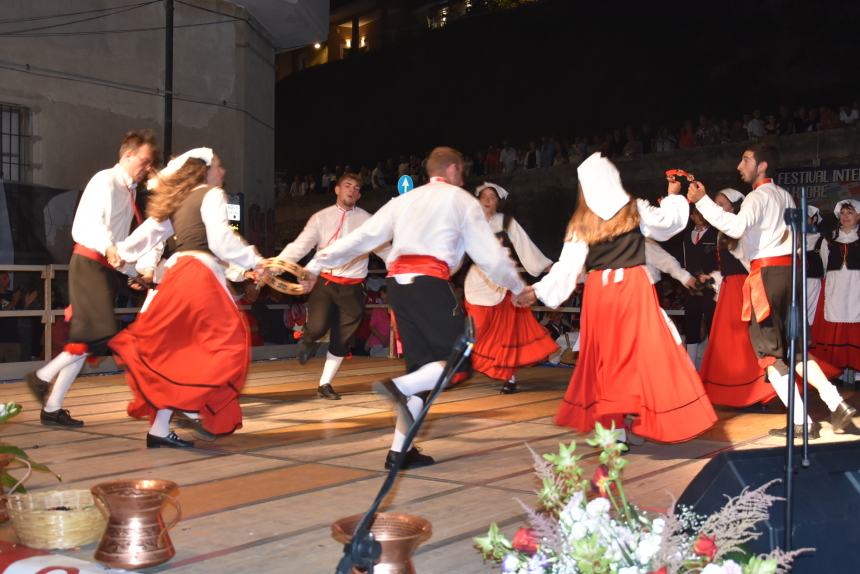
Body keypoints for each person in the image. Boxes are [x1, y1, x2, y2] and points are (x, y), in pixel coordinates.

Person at [300, 147, 524, 469]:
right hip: (429, 283)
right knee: (457, 362)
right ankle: (397, 388)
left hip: (399, 287)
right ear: (454, 169)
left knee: (422, 372)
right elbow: (489, 253)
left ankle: (399, 452)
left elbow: (361, 238)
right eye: (461, 171)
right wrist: (518, 288)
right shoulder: (461, 201)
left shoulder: (403, 201)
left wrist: (316, 266)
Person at [514, 153, 717, 444]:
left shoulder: (581, 222)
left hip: (599, 294)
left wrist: (537, 290)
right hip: (632, 289)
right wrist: (674, 196)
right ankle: (648, 414)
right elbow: (668, 223)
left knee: (606, 362)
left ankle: (615, 431)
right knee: (647, 354)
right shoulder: (634, 210)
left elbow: (567, 269)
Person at [687, 143, 855, 438]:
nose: (740, 165)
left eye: (746, 159)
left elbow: (736, 227)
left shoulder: (758, 196)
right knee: (798, 350)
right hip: (791, 273)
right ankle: (836, 403)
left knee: (769, 355)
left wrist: (701, 201)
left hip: (767, 275)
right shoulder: (786, 197)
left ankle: (802, 421)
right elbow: (760, 241)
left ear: (762, 165)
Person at [110, 148, 264, 448]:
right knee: (228, 344)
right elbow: (221, 242)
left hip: (178, 274)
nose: (223, 172)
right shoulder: (212, 194)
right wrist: (254, 260)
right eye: (219, 166)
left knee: (180, 351)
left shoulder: (179, 200)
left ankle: (161, 427)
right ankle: (197, 409)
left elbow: (148, 233)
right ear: (204, 169)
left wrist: (122, 252)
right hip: (200, 277)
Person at [25, 130, 157, 427]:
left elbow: (119, 244)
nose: (148, 167)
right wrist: (112, 250)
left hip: (104, 270)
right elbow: (87, 226)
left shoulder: (129, 191)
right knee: (98, 335)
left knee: (83, 342)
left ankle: (51, 407)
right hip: (88, 264)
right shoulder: (105, 181)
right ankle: (41, 377)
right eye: (145, 161)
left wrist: (133, 273)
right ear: (127, 155)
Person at [275, 172, 388, 400]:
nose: (352, 191)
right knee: (317, 327)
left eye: (357, 188)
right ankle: (308, 340)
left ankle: (324, 383)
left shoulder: (368, 220)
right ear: (337, 189)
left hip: (354, 287)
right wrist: (275, 268)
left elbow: (385, 248)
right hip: (325, 281)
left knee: (342, 339)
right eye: (348, 186)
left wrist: (403, 266)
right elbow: (299, 246)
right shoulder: (320, 218)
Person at [464, 182, 556, 393]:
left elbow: (525, 246)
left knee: (506, 334)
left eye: (492, 197)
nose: (488, 200)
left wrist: (548, 267)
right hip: (478, 283)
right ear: (477, 201)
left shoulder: (506, 222)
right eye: (484, 197)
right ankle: (464, 364)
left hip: (504, 283)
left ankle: (510, 377)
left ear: (498, 202)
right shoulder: (468, 224)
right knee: (477, 328)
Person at [698, 189, 777, 407]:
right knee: (727, 340)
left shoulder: (738, 228)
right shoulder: (721, 231)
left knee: (745, 338)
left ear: (733, 206)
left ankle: (755, 386)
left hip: (742, 286)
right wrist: (714, 278)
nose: (718, 207)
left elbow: (747, 260)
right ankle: (729, 386)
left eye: (722, 204)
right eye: (716, 203)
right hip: (729, 287)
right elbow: (726, 265)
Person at [811, 198, 860, 378]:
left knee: (856, 324)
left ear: (858, 216)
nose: (846, 216)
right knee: (835, 325)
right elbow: (825, 263)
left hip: (856, 286)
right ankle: (836, 370)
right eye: (843, 213)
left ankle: (857, 371)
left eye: (850, 213)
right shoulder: (829, 239)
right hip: (835, 286)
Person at [680, 207, 718, 368]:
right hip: (691, 286)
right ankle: (691, 366)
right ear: (691, 217)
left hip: (711, 287)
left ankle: (714, 364)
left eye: (703, 213)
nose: (700, 217)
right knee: (691, 324)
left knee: (712, 324)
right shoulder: (685, 236)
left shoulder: (716, 234)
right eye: (697, 214)